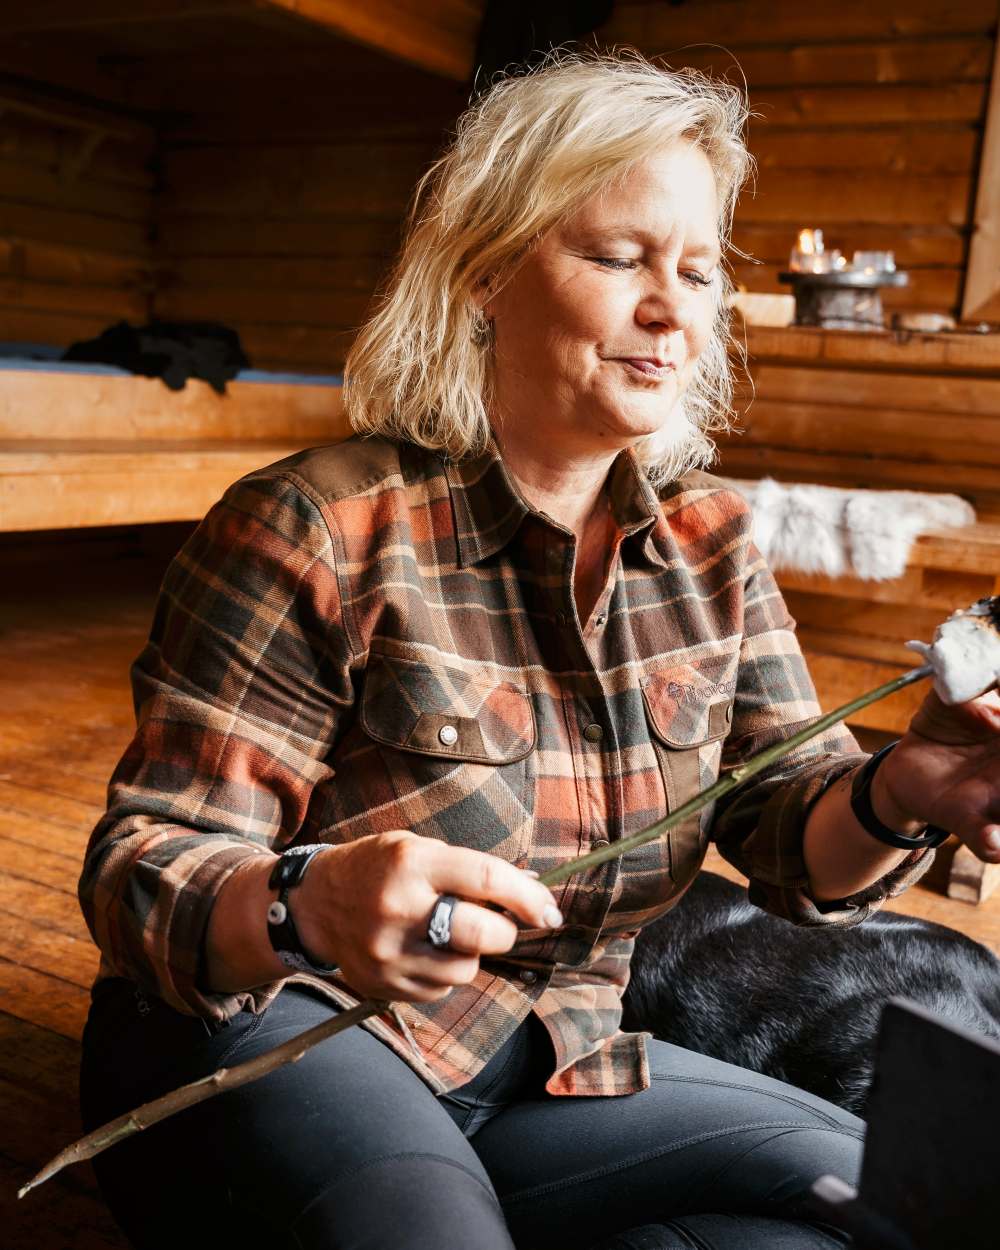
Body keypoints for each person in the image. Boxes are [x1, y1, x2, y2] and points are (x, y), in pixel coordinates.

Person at [77, 52, 1000, 1250]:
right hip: (280, 1026)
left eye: (698, 271)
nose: (671, 307)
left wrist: (902, 788)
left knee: (887, 1199)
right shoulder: (321, 525)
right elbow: (141, 867)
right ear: (484, 271)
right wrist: (308, 901)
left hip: (547, 1060)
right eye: (619, 258)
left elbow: (791, 840)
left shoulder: (713, 544)